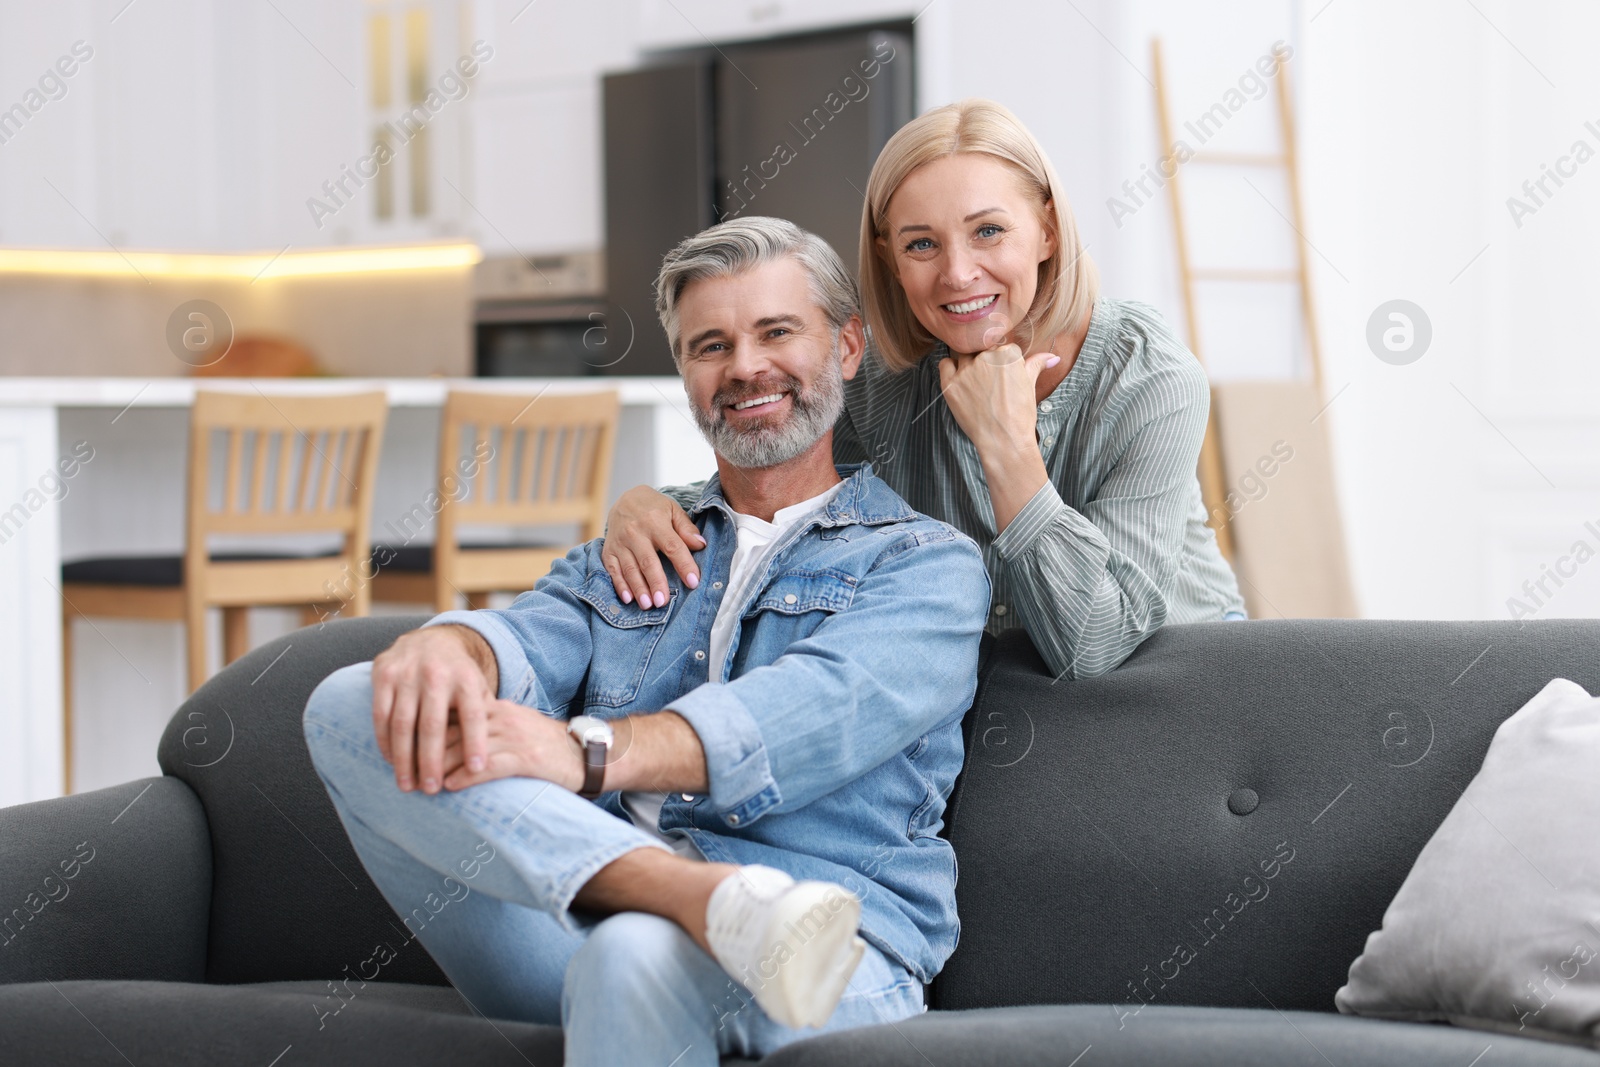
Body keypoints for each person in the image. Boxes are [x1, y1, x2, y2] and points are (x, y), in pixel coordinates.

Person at [301, 216, 990, 1067]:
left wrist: (587, 752)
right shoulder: (642, 545)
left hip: (829, 946)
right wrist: (452, 648)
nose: (744, 366)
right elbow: (527, 637)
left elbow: (805, 714)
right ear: (686, 372)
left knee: (634, 950)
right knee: (352, 701)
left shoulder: (926, 564)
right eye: (711, 345)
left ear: (847, 346)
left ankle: (700, 909)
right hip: (585, 925)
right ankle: (689, 894)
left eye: (777, 332)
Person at [600, 98, 1246, 681]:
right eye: (921, 244)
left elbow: (1094, 646)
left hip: (1175, 693)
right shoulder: (882, 376)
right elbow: (781, 478)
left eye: (988, 230)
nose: (959, 273)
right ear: (888, 257)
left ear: (1047, 229)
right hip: (1003, 707)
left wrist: (1007, 447)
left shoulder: (1148, 375)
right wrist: (650, 503)